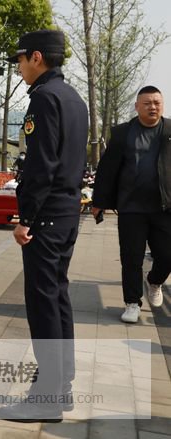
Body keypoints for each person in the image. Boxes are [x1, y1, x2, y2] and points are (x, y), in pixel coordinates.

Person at [0, 29, 89, 423]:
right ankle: (60, 385)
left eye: (20, 59)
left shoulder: (44, 98)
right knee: (57, 299)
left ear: (36, 57)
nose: (19, 67)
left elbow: (41, 165)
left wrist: (26, 219)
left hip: (47, 216)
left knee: (42, 304)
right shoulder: (73, 98)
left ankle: (47, 397)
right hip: (67, 211)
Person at [92, 86, 169, 323]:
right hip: (131, 207)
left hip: (164, 208)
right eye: (147, 103)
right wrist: (99, 201)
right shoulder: (123, 133)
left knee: (167, 254)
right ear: (137, 106)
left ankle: (154, 281)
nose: (152, 107)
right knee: (131, 257)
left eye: (157, 102)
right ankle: (132, 303)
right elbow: (107, 169)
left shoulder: (169, 130)